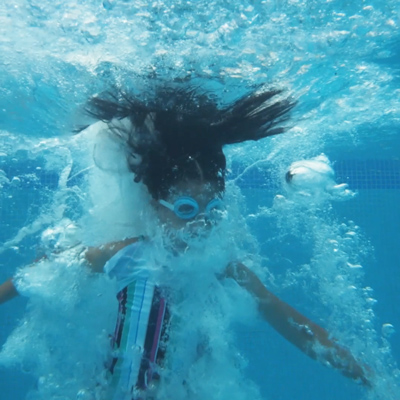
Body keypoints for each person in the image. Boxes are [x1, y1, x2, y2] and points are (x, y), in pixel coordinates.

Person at [0, 85, 370, 399]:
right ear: (154, 204)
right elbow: (40, 277)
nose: (200, 222)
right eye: (186, 207)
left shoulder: (223, 269)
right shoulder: (126, 254)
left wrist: (361, 370)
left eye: (212, 208)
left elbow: (288, 321)